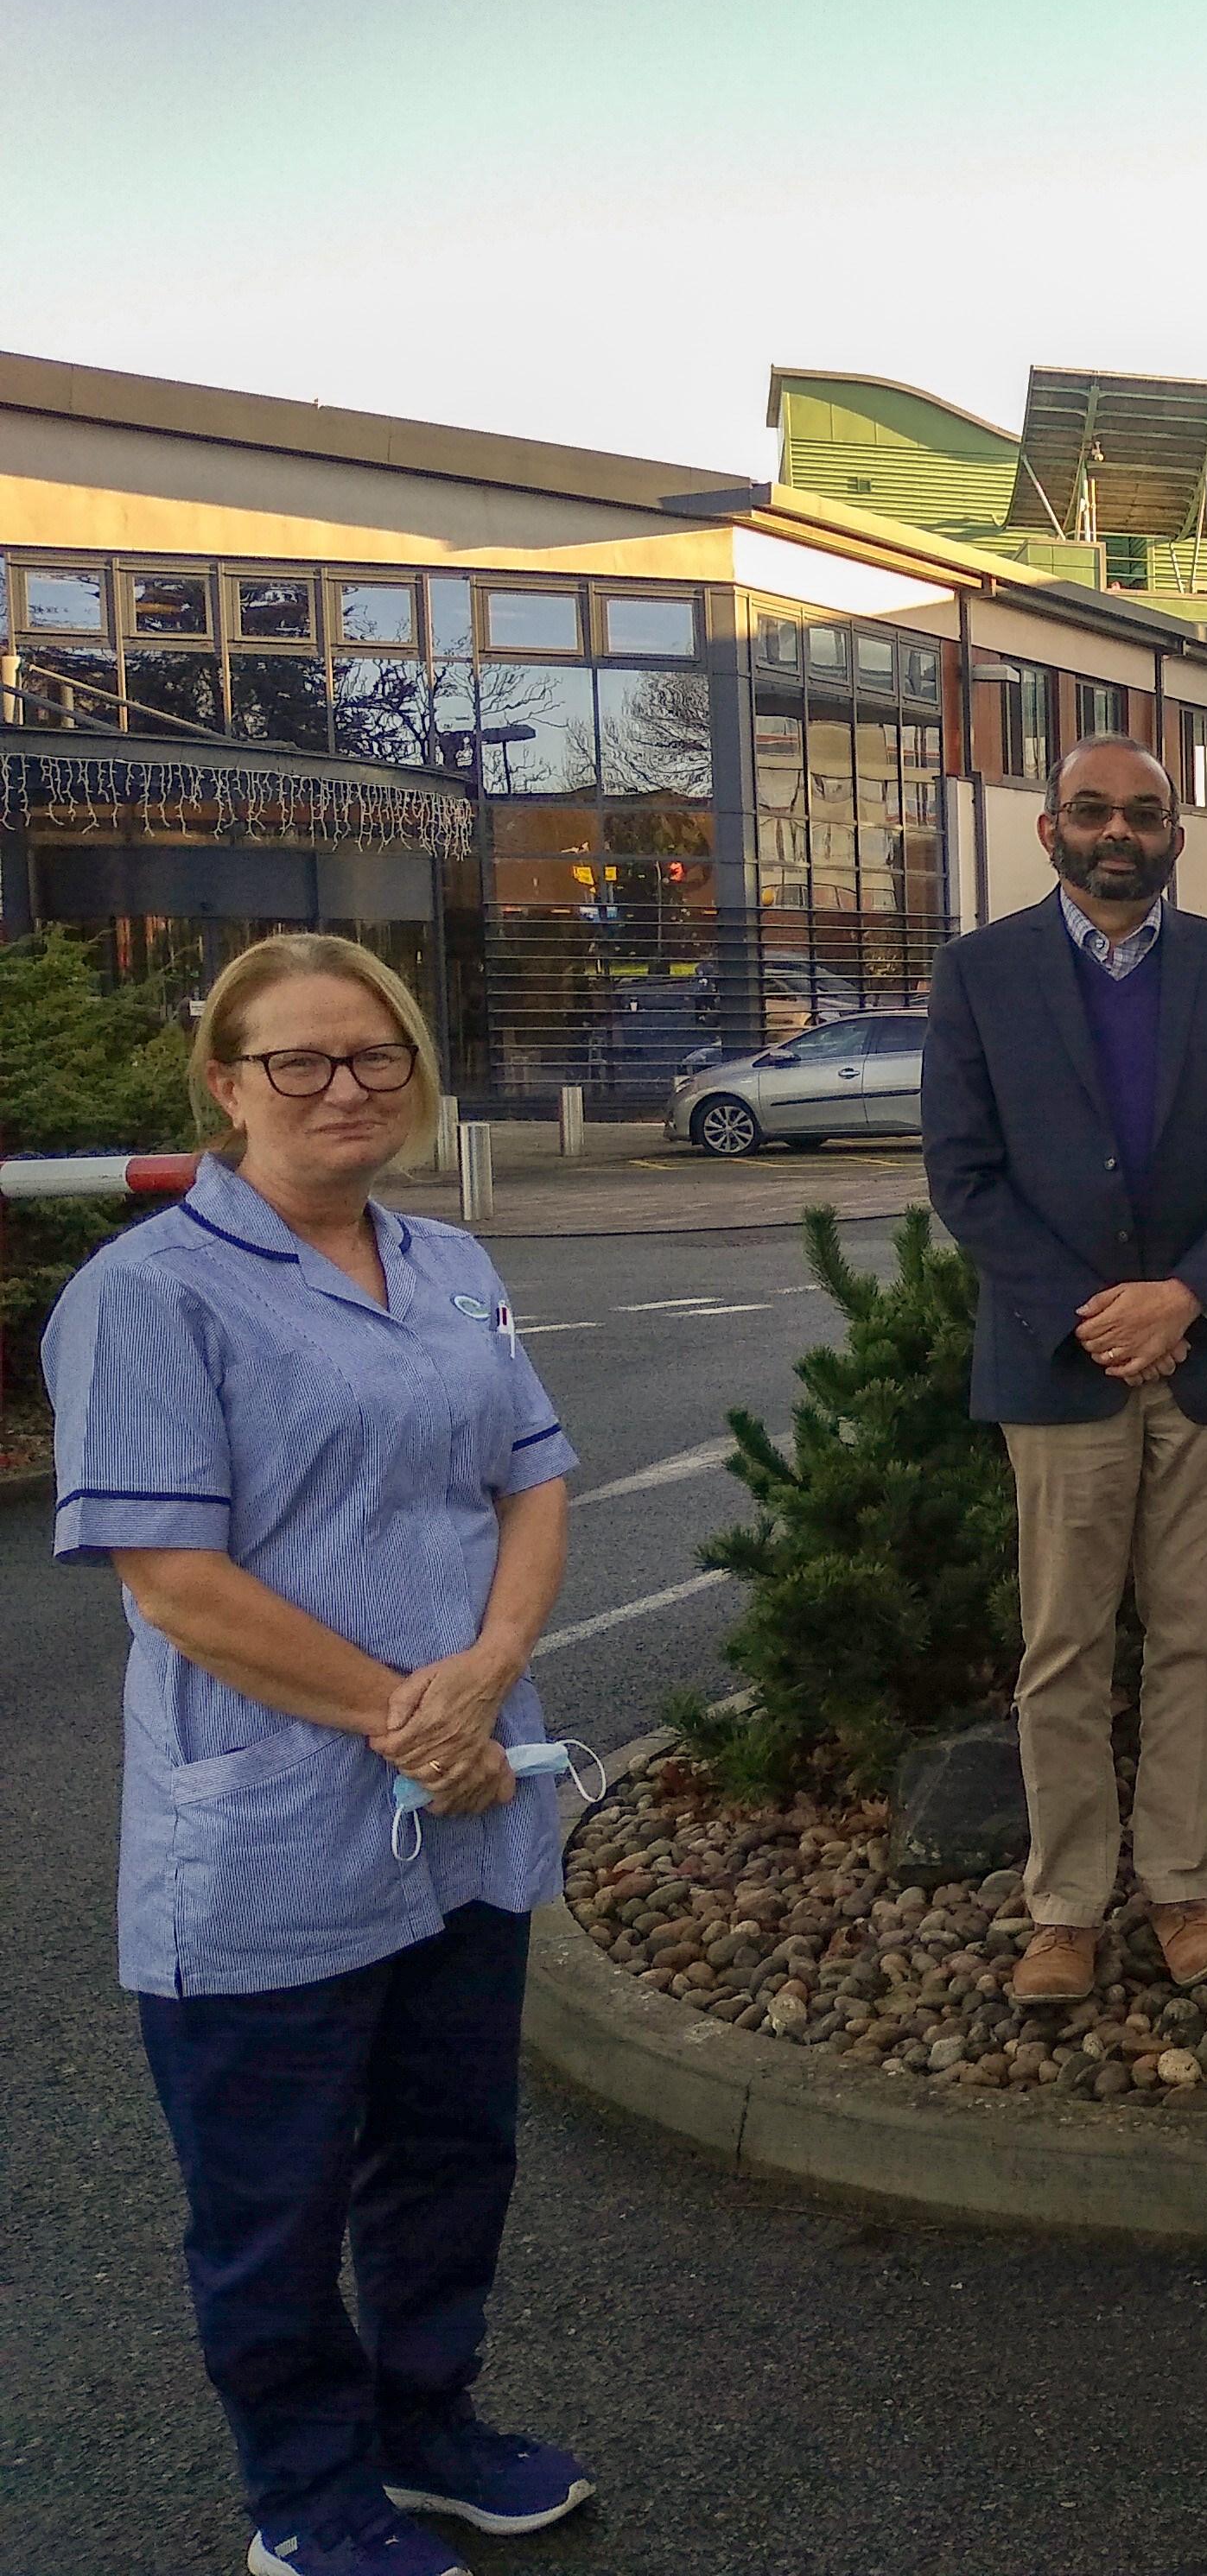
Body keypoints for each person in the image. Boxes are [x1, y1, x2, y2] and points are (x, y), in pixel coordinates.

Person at [46, 935, 589, 2576]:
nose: (344, 1088)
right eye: (299, 1061)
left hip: (465, 1800)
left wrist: (489, 1672)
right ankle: (305, 2499)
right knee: (272, 2199)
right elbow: (178, 1584)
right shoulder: (148, 1294)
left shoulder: (443, 1264)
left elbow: (534, 1481)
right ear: (225, 1085)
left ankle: (426, 2430)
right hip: (278, 1822)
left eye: (375, 1057)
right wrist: (405, 1714)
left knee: (448, 2156)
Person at [921, 733, 1207, 2008]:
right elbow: (964, 1176)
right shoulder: (979, 976)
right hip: (1064, 1361)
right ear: (1050, 831)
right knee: (1064, 1645)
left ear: (1174, 836)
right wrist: (1097, 1317)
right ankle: (1068, 1906)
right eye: (1092, 811)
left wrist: (1188, 1296)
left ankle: (1183, 1884)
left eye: (1143, 814)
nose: (1118, 833)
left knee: (1195, 1641)